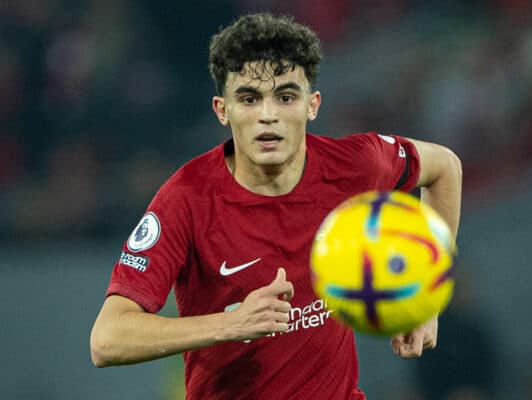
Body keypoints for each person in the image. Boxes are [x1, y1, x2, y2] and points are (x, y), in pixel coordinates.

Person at [90, 12, 462, 400]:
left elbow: (444, 168)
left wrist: (426, 299)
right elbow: (107, 340)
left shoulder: (355, 165)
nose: (268, 115)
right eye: (249, 98)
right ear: (222, 110)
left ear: (312, 105)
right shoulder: (186, 198)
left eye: (285, 97)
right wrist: (231, 324)